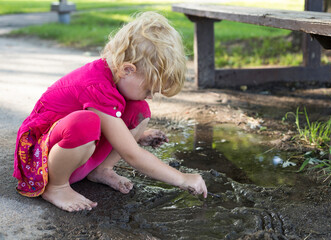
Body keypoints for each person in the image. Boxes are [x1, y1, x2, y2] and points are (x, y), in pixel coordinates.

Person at [13, 11, 207, 212]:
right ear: (127, 70)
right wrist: (182, 178)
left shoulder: (115, 79)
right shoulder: (96, 86)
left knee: (139, 109)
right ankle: (56, 187)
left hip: (74, 157)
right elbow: (132, 155)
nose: (150, 95)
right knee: (86, 122)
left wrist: (138, 135)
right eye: (149, 89)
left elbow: (113, 123)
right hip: (41, 161)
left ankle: (101, 170)